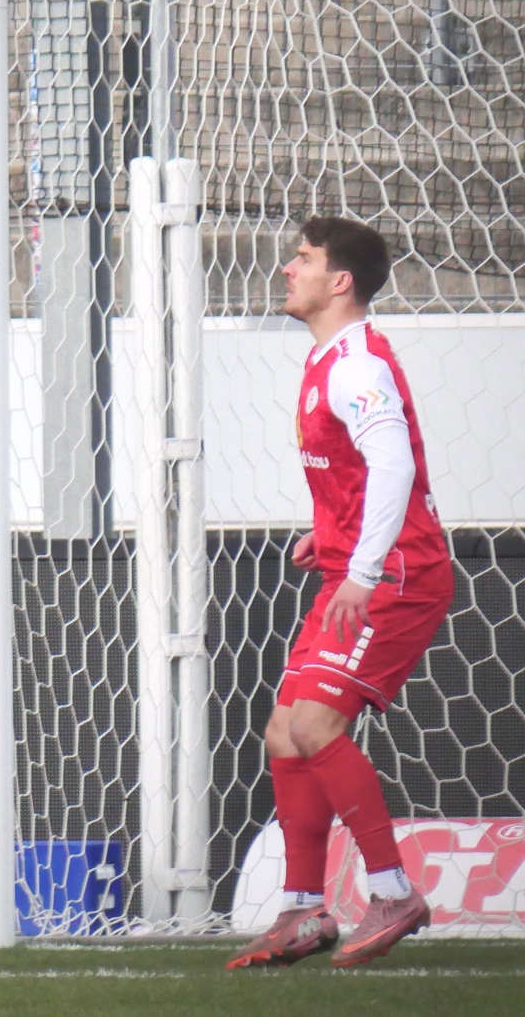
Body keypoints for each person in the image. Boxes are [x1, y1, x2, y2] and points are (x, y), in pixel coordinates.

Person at [227, 218, 451, 971]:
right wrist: (328, 538)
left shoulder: (356, 365)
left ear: (341, 280)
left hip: (395, 574)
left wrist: (361, 567)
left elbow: (393, 467)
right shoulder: (329, 358)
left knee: (316, 722)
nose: (288, 269)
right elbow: (361, 474)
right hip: (355, 566)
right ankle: (303, 909)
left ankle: (392, 892)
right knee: (283, 733)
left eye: (304, 258)